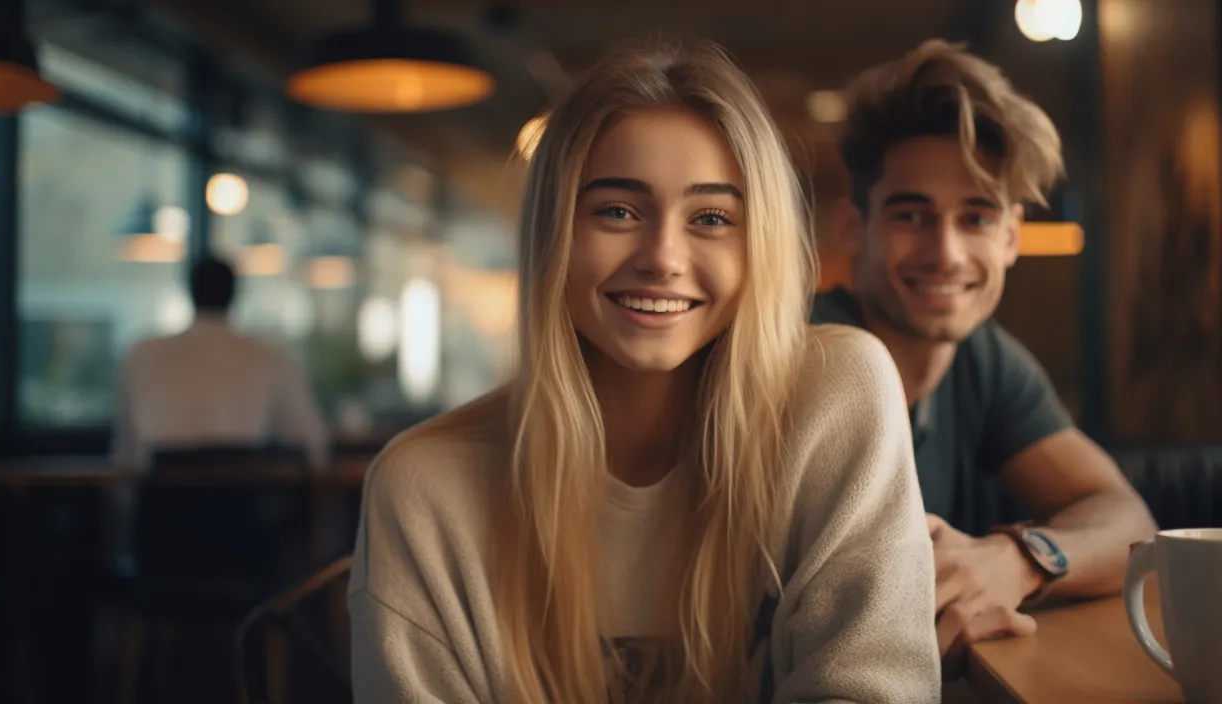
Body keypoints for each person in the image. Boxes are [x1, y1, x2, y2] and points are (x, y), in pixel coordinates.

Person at [350, 41, 940, 704]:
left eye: (711, 218)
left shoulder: (838, 394)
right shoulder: (424, 489)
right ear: (554, 237)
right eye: (617, 212)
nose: (663, 257)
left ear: (759, 248)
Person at [815, 39, 1157, 673]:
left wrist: (1022, 558)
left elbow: (1126, 515)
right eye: (911, 214)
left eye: (975, 218)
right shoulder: (817, 353)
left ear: (1009, 238)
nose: (945, 252)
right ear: (852, 229)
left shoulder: (983, 357)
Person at [112, 256, 330, 469]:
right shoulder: (268, 356)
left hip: (160, 501)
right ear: (235, 294)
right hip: (243, 500)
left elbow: (126, 451)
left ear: (190, 292)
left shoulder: (142, 355)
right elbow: (311, 444)